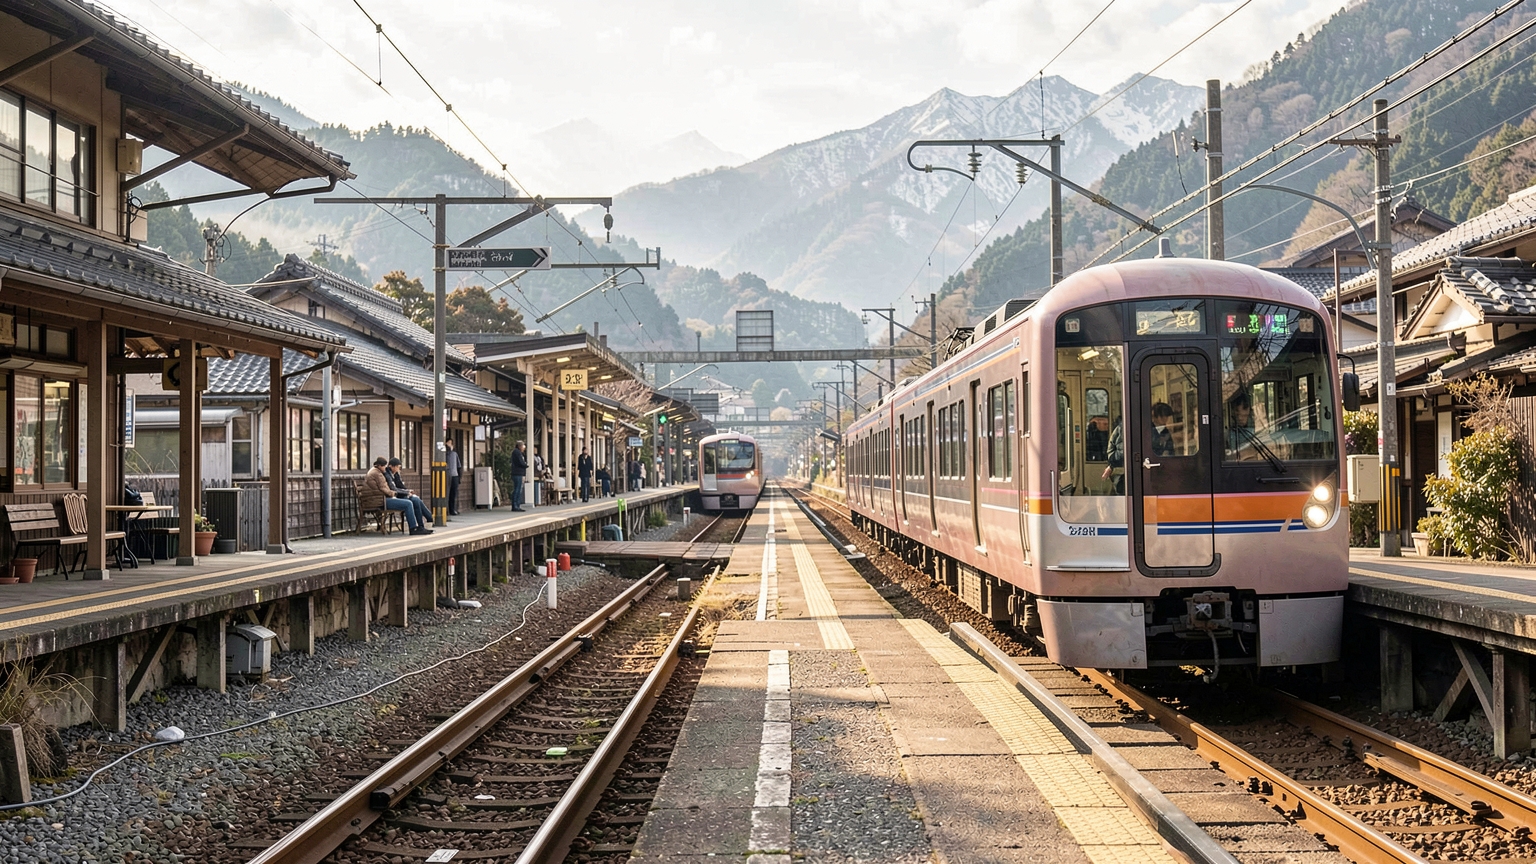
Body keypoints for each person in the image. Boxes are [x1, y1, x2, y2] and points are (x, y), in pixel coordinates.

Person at [363, 456, 430, 535]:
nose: (385, 468)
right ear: (380, 466)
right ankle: (413, 528)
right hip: (381, 500)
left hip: (379, 498)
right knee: (408, 503)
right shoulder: (378, 474)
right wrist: (393, 494)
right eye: (384, 466)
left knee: (412, 500)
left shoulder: (376, 472)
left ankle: (420, 527)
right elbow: (384, 489)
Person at [385, 458, 430, 524]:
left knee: (416, 499)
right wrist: (407, 492)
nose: (398, 469)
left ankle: (423, 523)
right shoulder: (387, 475)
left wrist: (407, 491)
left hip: (399, 494)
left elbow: (400, 485)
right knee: (414, 500)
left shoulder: (395, 474)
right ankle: (427, 520)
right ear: (391, 466)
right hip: (395, 496)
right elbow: (393, 488)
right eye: (397, 467)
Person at [1227, 391, 1257, 458]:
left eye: (1243, 416)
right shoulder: (1229, 433)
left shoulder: (1256, 430)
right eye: (1237, 414)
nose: (1240, 418)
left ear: (1248, 410)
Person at [1100, 416, 1124, 494]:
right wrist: (1111, 466)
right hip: (1120, 470)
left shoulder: (1120, 428)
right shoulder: (1123, 429)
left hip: (1117, 467)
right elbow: (1122, 453)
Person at [444, 438, 462, 516]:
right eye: (448, 443)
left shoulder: (455, 454)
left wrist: (459, 477)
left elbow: (459, 466)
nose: (449, 444)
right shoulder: (444, 453)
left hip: (455, 475)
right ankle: (446, 509)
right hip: (446, 475)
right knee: (446, 493)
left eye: (451, 443)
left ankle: (452, 509)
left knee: (453, 493)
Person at [510, 440, 528, 511]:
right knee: (517, 489)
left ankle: (517, 505)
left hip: (518, 473)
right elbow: (521, 462)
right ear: (520, 446)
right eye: (523, 446)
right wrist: (525, 465)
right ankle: (515, 505)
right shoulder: (517, 453)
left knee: (518, 489)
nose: (524, 448)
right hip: (517, 473)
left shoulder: (517, 452)